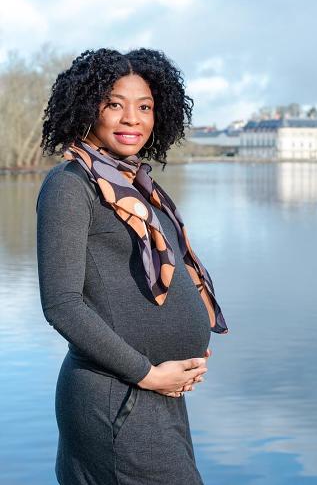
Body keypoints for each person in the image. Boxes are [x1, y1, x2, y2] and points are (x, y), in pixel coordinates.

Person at [37, 48, 229, 485]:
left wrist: (185, 346)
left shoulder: (134, 185)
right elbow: (62, 305)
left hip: (157, 393)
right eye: (114, 104)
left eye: (144, 106)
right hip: (116, 396)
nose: (132, 119)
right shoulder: (70, 186)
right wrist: (149, 371)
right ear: (88, 108)